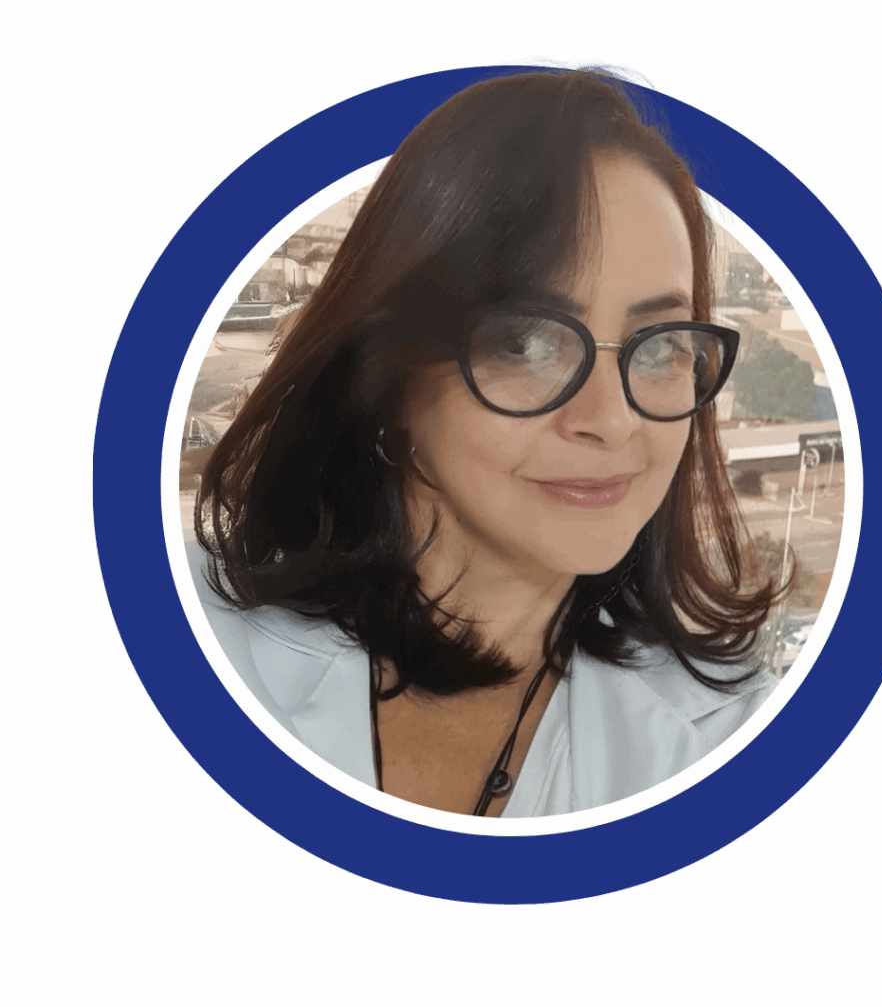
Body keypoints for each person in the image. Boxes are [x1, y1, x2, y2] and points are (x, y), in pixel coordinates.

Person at [191, 68, 790, 818]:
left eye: (661, 342)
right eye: (526, 342)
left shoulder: (738, 738)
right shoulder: (191, 635)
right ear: (387, 375)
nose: (612, 421)